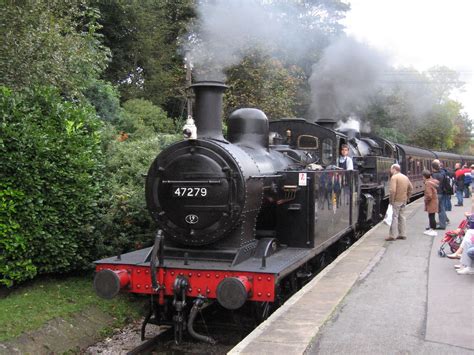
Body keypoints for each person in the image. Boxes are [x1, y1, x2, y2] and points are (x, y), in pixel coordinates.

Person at [386, 163, 413, 241]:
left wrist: (391, 200)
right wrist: (408, 197)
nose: (390, 171)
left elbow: (393, 190)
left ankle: (392, 235)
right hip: (403, 200)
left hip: (396, 200)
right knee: (402, 217)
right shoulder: (405, 177)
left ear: (394, 169)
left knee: (394, 217)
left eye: (391, 169)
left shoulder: (394, 177)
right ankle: (402, 234)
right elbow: (411, 188)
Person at [431, 160, 447, 230]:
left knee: (439, 210)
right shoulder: (442, 174)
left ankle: (442, 225)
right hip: (442, 192)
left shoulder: (433, 175)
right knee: (441, 209)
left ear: (433, 167)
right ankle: (443, 223)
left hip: (436, 193)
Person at [422, 170, 439, 236]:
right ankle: (432, 229)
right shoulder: (432, 181)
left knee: (431, 216)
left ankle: (433, 229)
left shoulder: (428, 183)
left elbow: (429, 195)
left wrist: (426, 200)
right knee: (432, 215)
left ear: (424, 176)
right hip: (434, 201)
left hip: (431, 202)